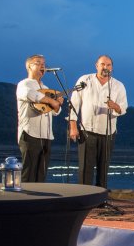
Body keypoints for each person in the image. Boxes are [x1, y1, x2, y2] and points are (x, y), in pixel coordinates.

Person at [69, 55, 128, 189]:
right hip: (87, 130)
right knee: (85, 167)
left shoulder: (118, 85)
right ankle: (83, 195)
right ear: (96, 66)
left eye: (108, 65)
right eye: (102, 64)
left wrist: (115, 106)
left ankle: (101, 197)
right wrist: (73, 126)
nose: (105, 67)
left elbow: (123, 108)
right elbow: (74, 104)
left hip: (108, 132)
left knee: (103, 168)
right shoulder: (85, 80)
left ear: (112, 68)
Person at [16, 54, 63, 182]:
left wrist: (58, 104)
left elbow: (54, 112)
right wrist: (50, 100)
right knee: (29, 172)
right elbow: (29, 94)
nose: (42, 66)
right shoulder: (24, 84)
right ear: (29, 66)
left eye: (44, 64)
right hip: (30, 133)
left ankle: (39, 194)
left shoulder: (46, 88)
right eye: (38, 63)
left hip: (46, 135)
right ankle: (26, 194)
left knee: (41, 173)